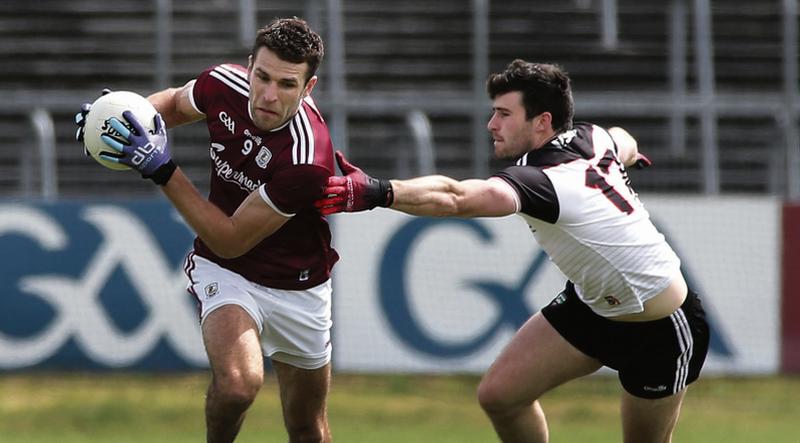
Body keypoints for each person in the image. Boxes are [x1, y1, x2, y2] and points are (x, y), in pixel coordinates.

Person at [315, 59, 710, 443]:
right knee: (500, 396)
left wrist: (379, 191)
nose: (492, 124)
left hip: (660, 327)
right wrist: (631, 156)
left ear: (542, 122)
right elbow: (622, 138)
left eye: (504, 113)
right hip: (594, 308)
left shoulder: (545, 180)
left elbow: (456, 198)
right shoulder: (592, 138)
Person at [75, 17, 338, 443]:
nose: (268, 95)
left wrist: (162, 169)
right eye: (262, 76)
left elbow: (230, 236)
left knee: (308, 429)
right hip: (228, 271)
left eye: (287, 85)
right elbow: (175, 106)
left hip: (298, 285)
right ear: (250, 65)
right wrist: (119, 120)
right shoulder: (222, 84)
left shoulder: (309, 158)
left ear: (308, 88)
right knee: (238, 385)